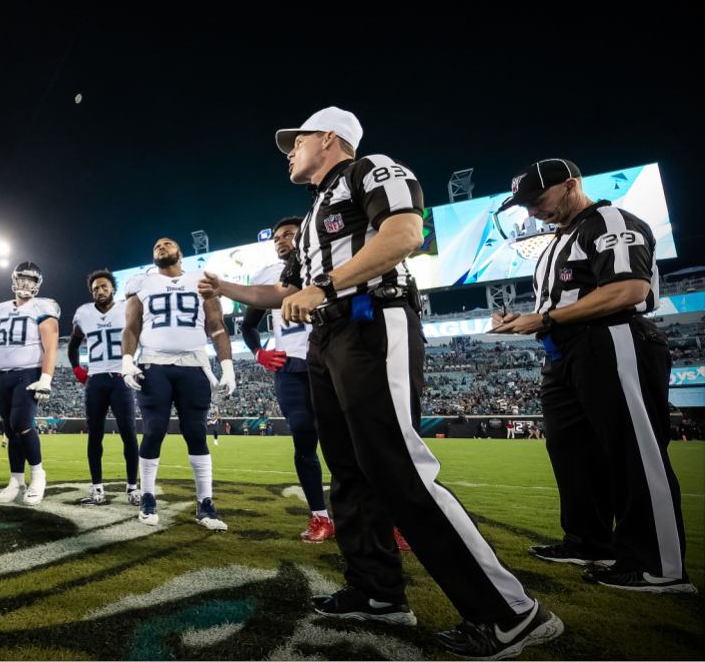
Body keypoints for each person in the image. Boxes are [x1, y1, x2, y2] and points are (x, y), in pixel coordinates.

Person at [200, 107, 561, 659]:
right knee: (347, 469)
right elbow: (283, 294)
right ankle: (377, 591)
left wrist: (325, 285)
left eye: (295, 142)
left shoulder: (371, 168)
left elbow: (405, 233)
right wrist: (225, 286)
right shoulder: (316, 209)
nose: (289, 151)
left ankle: (511, 612)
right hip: (329, 333)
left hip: (371, 318)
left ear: (327, 138)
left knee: (397, 464)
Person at [490, 158, 693, 593]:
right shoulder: (562, 238)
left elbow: (629, 290)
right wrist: (526, 319)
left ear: (570, 185)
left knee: (633, 452)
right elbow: (561, 304)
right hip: (567, 352)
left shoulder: (610, 220)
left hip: (612, 339)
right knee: (573, 452)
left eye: (537, 199)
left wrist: (544, 320)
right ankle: (589, 541)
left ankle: (659, 564)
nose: (531, 212)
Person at [123, 238, 233, 531]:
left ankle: (205, 503)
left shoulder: (202, 279)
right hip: (153, 364)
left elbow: (217, 325)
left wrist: (227, 365)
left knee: (196, 431)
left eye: (167, 243)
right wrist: (126, 360)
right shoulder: (140, 283)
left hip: (194, 365)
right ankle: (147, 496)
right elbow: (132, 326)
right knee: (154, 429)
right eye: (156, 245)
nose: (160, 246)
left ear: (180, 254)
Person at [240, 216, 333, 544]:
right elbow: (248, 324)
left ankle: (380, 515)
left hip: (332, 362)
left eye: (289, 235)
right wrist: (259, 353)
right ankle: (319, 516)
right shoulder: (267, 275)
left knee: (348, 443)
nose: (281, 240)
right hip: (290, 367)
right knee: (304, 436)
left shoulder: (330, 260)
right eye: (277, 237)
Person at [0, 262, 60, 506]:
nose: (26, 283)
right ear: (15, 279)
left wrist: (45, 378)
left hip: (29, 373)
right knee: (10, 429)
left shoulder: (44, 306)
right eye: (22, 278)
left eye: (31, 280)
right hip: (4, 375)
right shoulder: (1, 308)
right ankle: (16, 481)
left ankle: (38, 475)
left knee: (22, 424)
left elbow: (51, 345)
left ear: (37, 284)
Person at [67, 270, 140, 506]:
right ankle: (97, 488)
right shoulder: (83, 313)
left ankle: (132, 487)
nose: (100, 290)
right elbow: (73, 345)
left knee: (128, 433)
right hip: (96, 380)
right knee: (95, 435)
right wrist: (78, 368)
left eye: (104, 286)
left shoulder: (127, 307)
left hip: (121, 378)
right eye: (96, 288)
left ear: (113, 289)